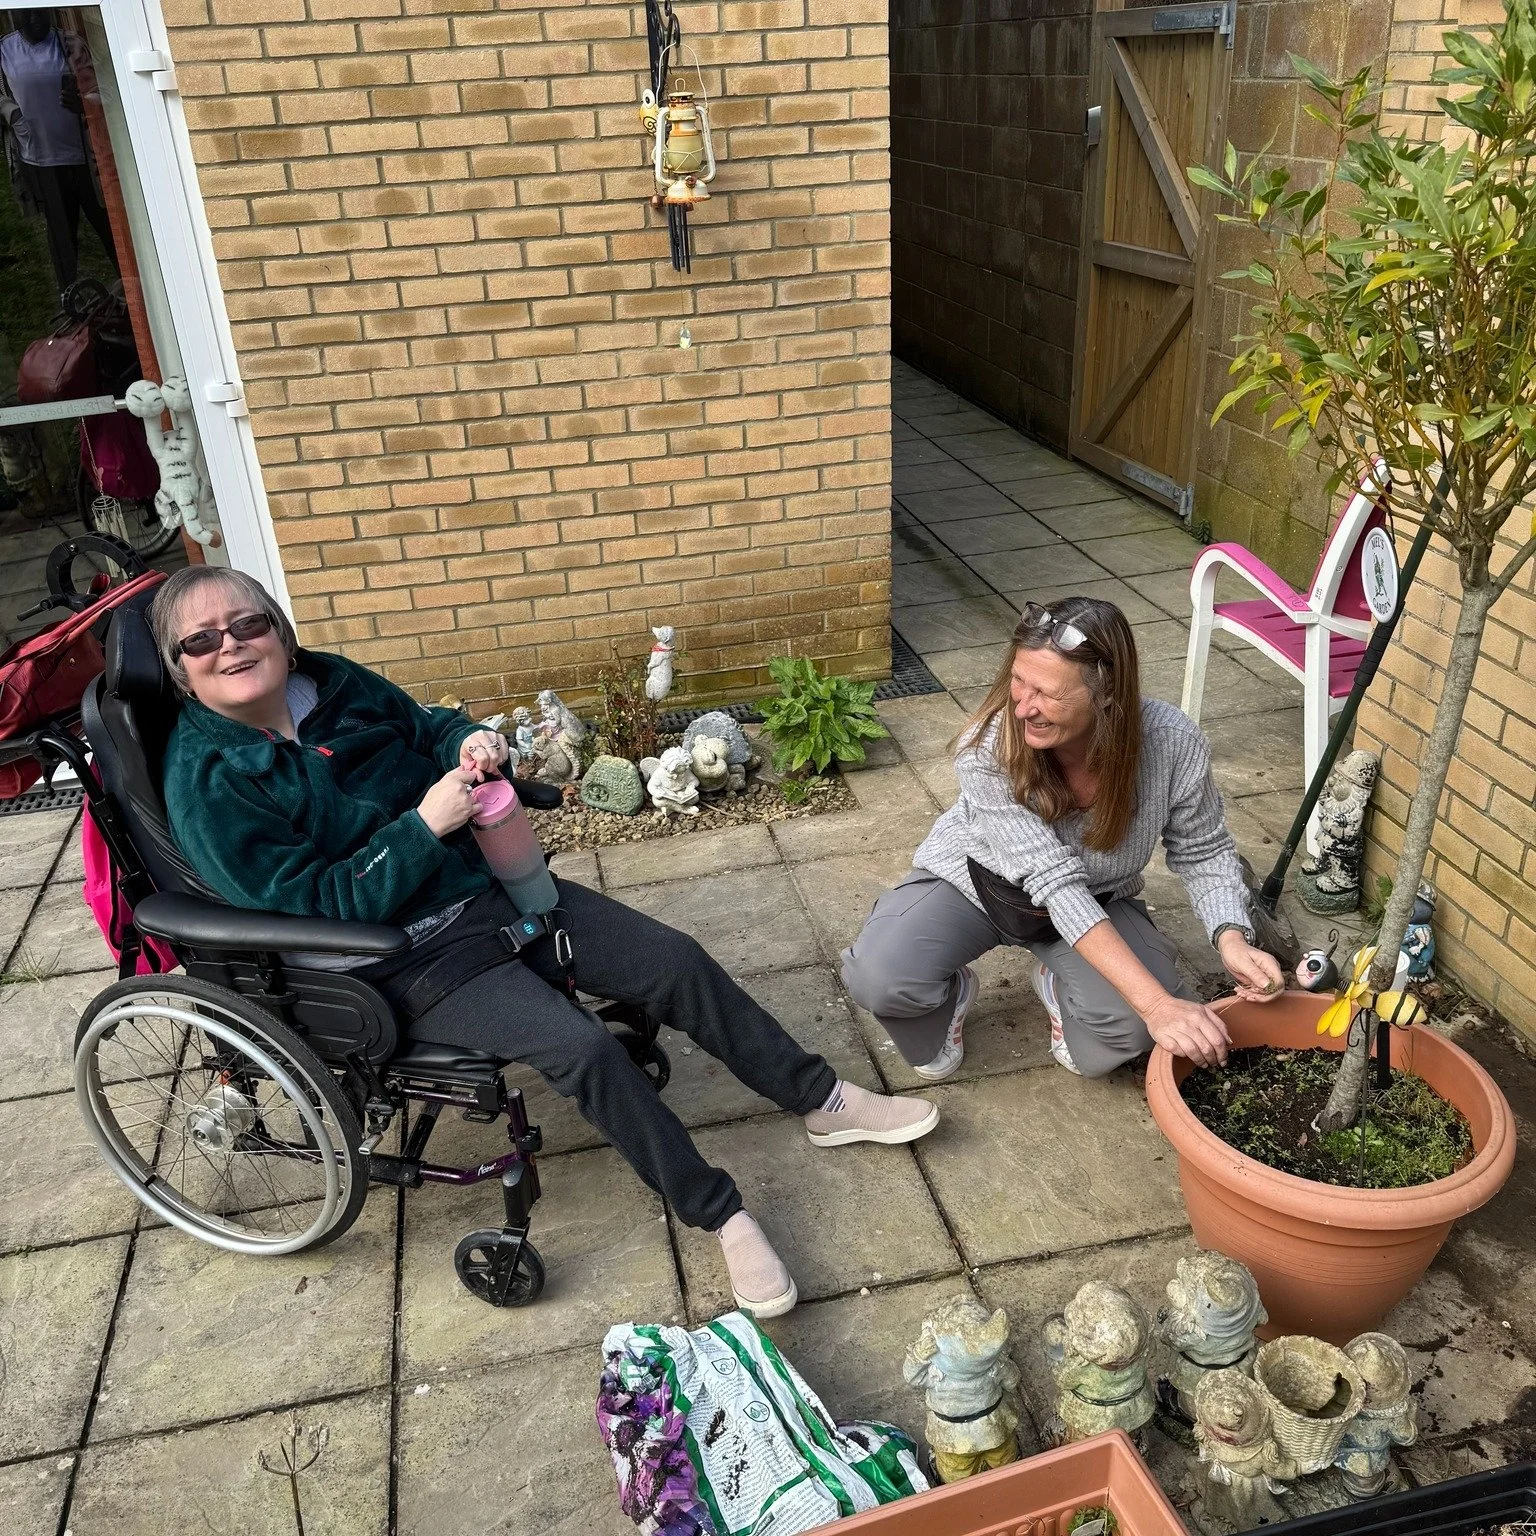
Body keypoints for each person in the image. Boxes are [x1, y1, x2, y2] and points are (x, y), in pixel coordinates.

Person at [151, 566, 939, 1319]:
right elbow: (314, 903)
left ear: (280, 632)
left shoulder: (332, 683)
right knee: (582, 1047)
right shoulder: (208, 776)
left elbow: (429, 728)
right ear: (181, 670)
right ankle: (721, 1215)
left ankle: (822, 1100)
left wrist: (470, 745)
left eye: (248, 624)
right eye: (202, 640)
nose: (232, 645)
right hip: (397, 954)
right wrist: (423, 827)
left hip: (487, 884)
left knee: (673, 962)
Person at [842, 597, 1285, 1081]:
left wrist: (1230, 934)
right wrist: (1158, 1004)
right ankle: (952, 996)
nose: (1021, 707)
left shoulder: (1173, 742)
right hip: (976, 882)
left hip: (1093, 896)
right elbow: (1052, 881)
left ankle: (1057, 985)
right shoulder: (987, 747)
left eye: (1046, 693)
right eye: (1018, 681)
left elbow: (1203, 849)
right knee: (879, 979)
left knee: (1131, 1032)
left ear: (1107, 692)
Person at [0, 10, 117, 292]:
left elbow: (108, 89)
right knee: (61, 234)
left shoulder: (71, 44)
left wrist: (86, 103)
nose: (34, 18)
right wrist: (12, 114)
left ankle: (132, 290)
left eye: (40, 10)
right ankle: (69, 298)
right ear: (13, 13)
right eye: (26, 12)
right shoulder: (4, 50)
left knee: (109, 227)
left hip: (85, 159)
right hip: (41, 159)